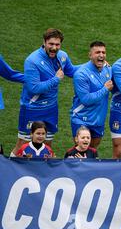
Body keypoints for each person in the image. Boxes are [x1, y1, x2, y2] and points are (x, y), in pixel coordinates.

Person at [12, 28, 79, 156]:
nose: (54, 48)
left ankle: (42, 175)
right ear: (44, 42)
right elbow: (34, 88)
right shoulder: (32, 61)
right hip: (32, 108)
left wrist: (91, 65)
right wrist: (56, 79)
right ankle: (9, 170)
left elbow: (72, 71)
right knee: (22, 145)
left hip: (51, 109)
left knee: (47, 145)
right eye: (51, 44)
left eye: (57, 44)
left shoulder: (62, 56)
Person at [70, 41, 113, 149]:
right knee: (81, 152)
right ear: (90, 55)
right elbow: (86, 99)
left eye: (103, 52)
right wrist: (105, 89)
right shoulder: (81, 74)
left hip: (99, 120)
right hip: (81, 119)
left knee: (93, 151)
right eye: (97, 52)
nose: (101, 55)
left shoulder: (108, 69)